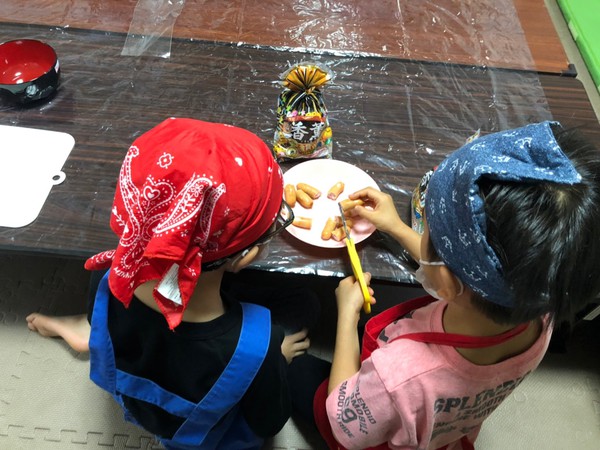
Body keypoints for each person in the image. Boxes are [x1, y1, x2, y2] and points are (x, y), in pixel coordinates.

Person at [290, 121, 600, 450]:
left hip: (371, 424)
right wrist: (397, 227)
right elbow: (456, 272)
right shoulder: (539, 303)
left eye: (427, 230)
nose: (424, 234)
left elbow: (343, 421)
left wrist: (347, 315)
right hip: (445, 425)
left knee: (296, 372)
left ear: (449, 282)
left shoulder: (397, 378)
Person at [26, 117, 320, 449]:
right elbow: (269, 422)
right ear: (245, 257)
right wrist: (277, 359)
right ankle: (93, 334)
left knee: (106, 315)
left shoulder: (110, 273)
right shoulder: (257, 349)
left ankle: (95, 333)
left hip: (133, 367)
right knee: (305, 307)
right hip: (200, 433)